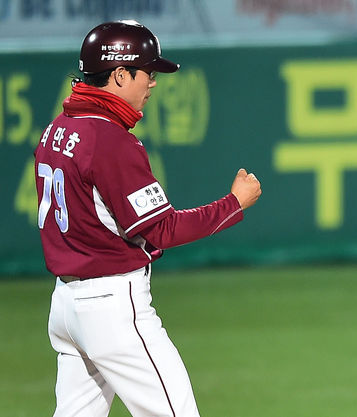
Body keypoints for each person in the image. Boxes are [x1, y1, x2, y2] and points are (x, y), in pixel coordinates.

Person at [34, 20, 261, 416]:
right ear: (120, 75)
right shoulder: (109, 139)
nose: (153, 82)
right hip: (111, 307)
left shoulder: (58, 128)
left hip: (66, 306)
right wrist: (233, 204)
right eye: (147, 72)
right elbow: (163, 229)